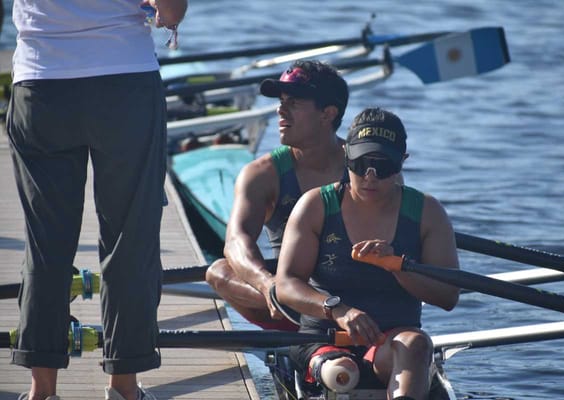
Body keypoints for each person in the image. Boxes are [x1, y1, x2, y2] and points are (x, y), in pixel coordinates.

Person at [7, 1, 187, 400]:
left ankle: (42, 391)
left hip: (41, 84)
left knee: (46, 245)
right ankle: (124, 389)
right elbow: (171, 11)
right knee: (129, 240)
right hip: (124, 84)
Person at [275, 107, 460, 400]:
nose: (370, 176)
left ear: (402, 162)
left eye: (382, 165)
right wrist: (339, 310)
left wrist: (399, 267)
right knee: (344, 371)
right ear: (346, 154)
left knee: (416, 345)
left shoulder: (428, 212)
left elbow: (449, 296)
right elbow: (285, 285)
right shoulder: (315, 206)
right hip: (325, 338)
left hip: (393, 343)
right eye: (361, 164)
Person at [205, 60, 350, 331]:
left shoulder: (365, 168)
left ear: (328, 114)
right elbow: (236, 241)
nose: (280, 110)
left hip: (353, 292)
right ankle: (296, 312)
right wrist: (267, 283)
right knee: (218, 271)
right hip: (289, 302)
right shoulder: (261, 174)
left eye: (293, 102)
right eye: (281, 101)